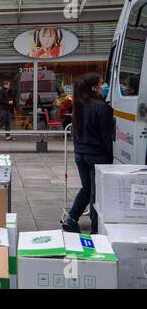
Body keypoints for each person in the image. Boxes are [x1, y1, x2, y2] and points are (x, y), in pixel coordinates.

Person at [62, 73, 114, 234]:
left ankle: (71, 219)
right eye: (102, 83)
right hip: (97, 154)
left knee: (87, 187)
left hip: (80, 154)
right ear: (94, 88)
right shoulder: (103, 108)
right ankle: (95, 230)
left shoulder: (80, 105)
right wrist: (110, 158)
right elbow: (106, 137)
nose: (104, 86)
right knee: (95, 193)